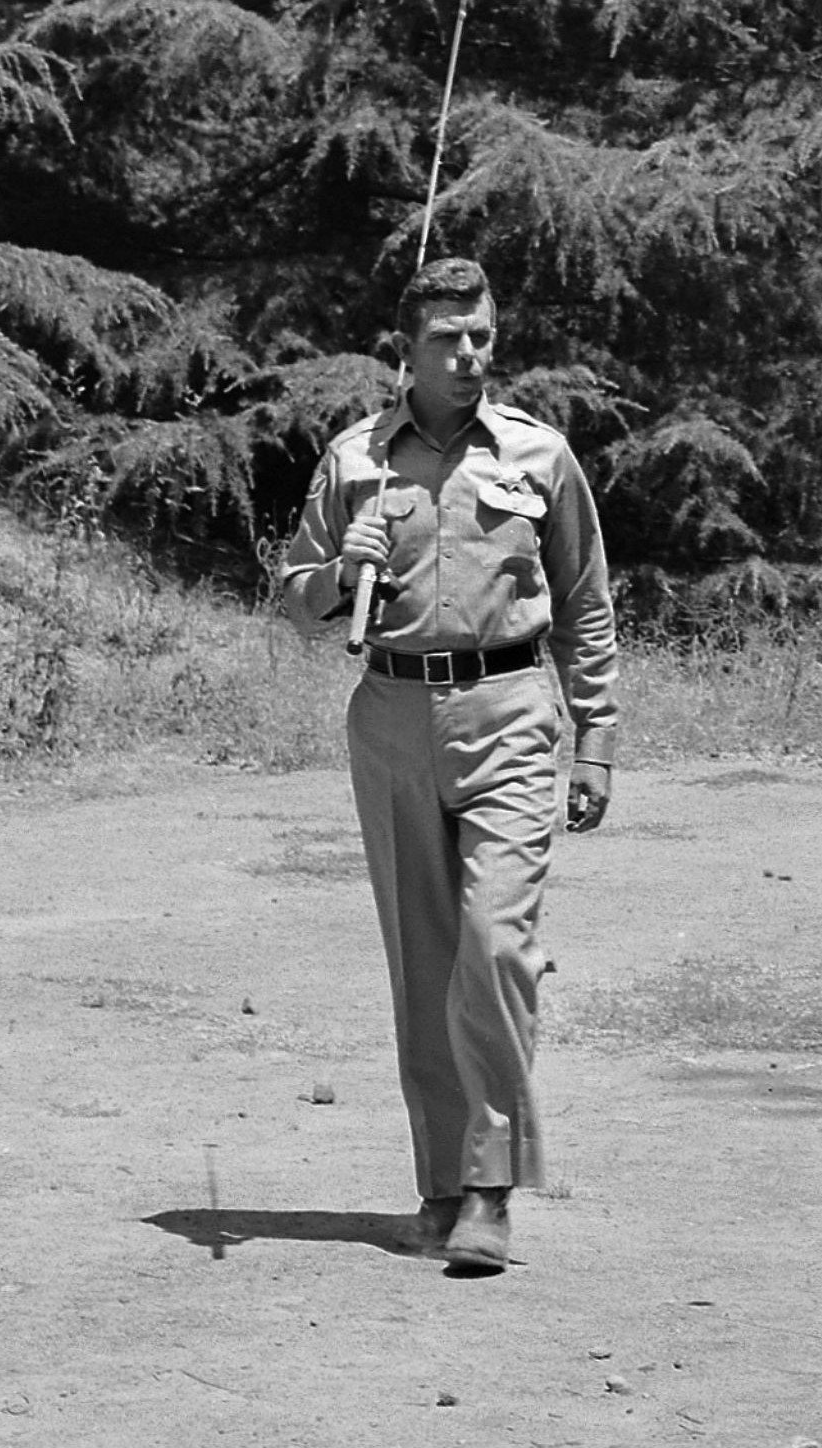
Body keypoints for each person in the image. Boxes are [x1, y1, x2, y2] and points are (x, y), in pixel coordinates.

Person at [280, 257, 618, 1274]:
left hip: (511, 707)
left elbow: (587, 604)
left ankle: (493, 1187)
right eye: (448, 339)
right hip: (389, 711)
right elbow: (296, 601)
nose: (469, 355)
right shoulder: (355, 463)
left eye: (481, 335)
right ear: (406, 353)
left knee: (494, 946)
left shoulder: (540, 456)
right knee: (423, 961)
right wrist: (347, 568)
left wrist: (595, 736)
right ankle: (440, 1187)